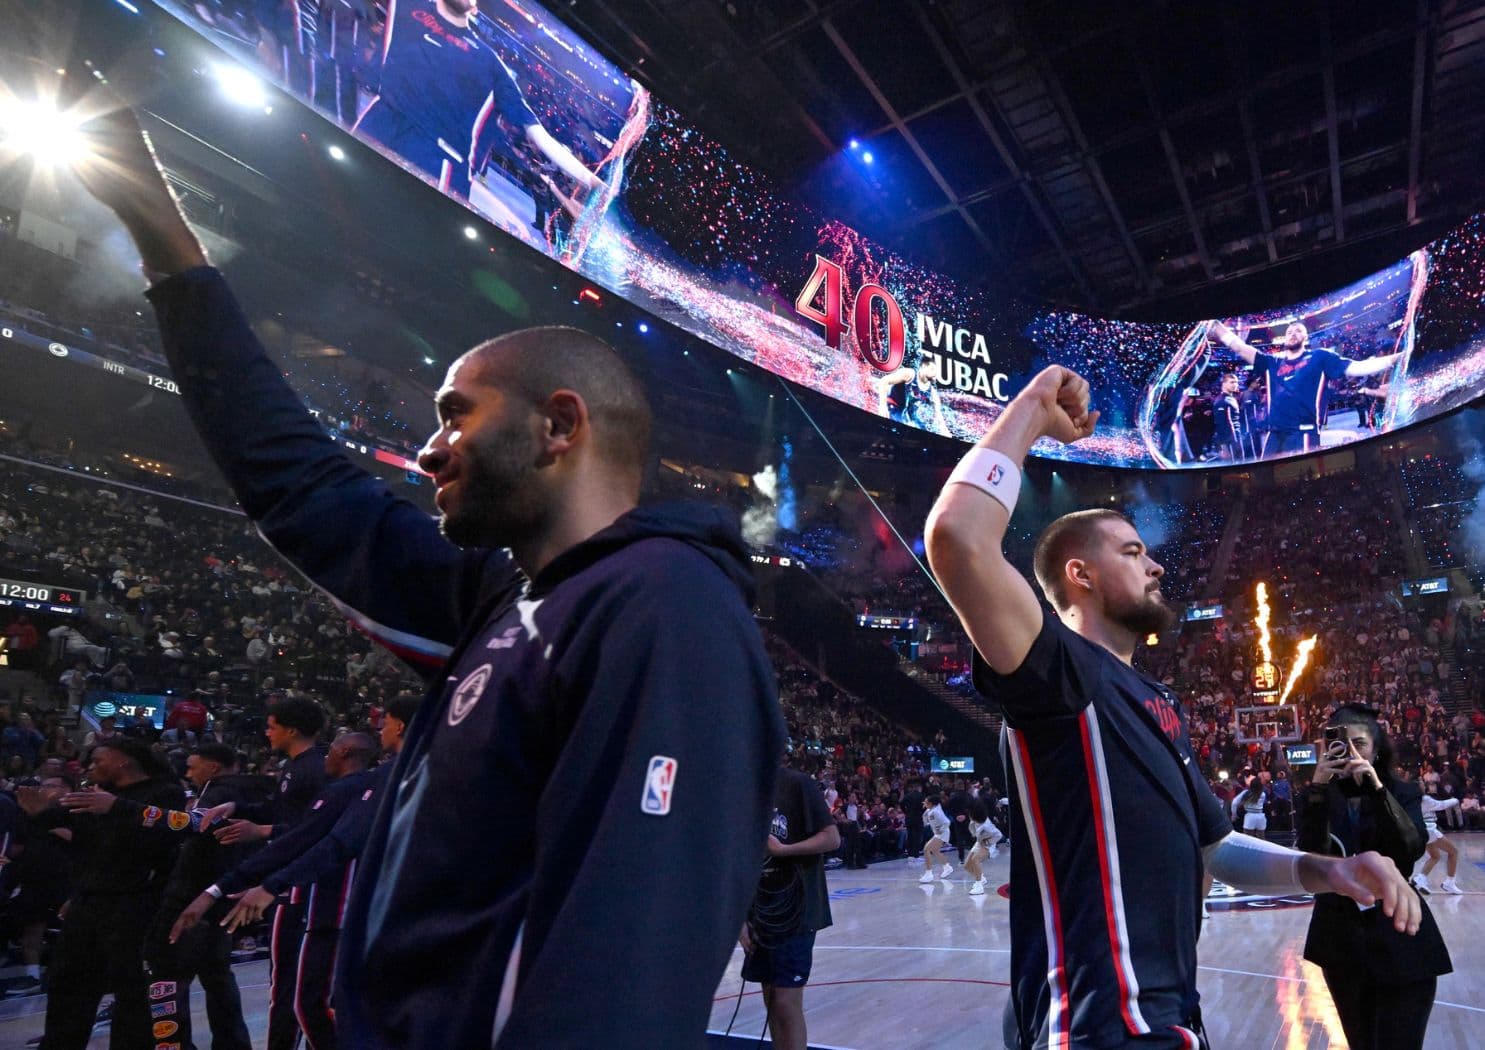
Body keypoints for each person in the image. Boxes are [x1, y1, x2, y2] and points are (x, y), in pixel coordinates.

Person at [67, 93, 783, 1048]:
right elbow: (299, 485)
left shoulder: (662, 602)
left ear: (558, 426)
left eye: (457, 414)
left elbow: (629, 951)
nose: (430, 448)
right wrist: (167, 244)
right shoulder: (509, 600)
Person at [924, 364, 1420, 1050]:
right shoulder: (1059, 672)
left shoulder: (1155, 697)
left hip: (1169, 1015)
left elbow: (1216, 847)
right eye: (1132, 551)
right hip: (1102, 1025)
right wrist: (1034, 408)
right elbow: (957, 537)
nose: (1154, 565)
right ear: (1080, 575)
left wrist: (1328, 872)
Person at [61, 742, 267, 1050]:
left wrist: (117, 807)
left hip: (197, 898)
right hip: (217, 894)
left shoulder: (219, 793)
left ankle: (176, 1045)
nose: (187, 771)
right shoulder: (246, 791)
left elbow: (189, 826)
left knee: (166, 981)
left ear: (212, 767)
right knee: (216, 978)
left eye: (193, 765)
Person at [1297, 707, 1452, 1050]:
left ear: (1376, 748)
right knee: (1361, 1043)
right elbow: (1310, 855)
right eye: (1339, 744)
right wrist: (1318, 788)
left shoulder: (1401, 790)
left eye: (1359, 744)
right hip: (1340, 937)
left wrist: (1378, 790)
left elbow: (1409, 850)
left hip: (1399, 929)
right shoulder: (1318, 795)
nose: (1350, 752)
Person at [354, 0, 607, 207]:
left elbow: (539, 135)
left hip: (435, 164)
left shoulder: (490, 62)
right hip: (375, 130)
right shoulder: (408, 7)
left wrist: (594, 184)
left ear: (476, 7)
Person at [17, 738, 185, 1050]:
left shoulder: (164, 792)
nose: (90, 768)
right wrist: (40, 814)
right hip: (88, 900)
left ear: (123, 760)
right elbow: (81, 842)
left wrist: (115, 808)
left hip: (135, 903)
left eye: (98, 761)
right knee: (68, 982)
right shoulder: (89, 796)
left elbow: (166, 835)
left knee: (132, 988)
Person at [740, 760, 839, 1050]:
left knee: (785, 1001)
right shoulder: (741, 795)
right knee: (771, 998)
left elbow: (831, 838)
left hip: (797, 911)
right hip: (760, 912)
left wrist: (785, 850)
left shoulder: (799, 785)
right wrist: (740, 917)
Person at [1208, 320, 1400, 457]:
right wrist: (1217, 327)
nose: (1293, 333)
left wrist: (1395, 358)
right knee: (1266, 483)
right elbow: (1240, 347)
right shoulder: (1271, 362)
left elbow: (1358, 367)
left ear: (1306, 337)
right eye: (1289, 331)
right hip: (1274, 434)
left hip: (1303, 433)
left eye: (1298, 331)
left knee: (1301, 480)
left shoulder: (1320, 357)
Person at [1412, 781, 1464, 895]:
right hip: (1429, 829)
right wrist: (1455, 800)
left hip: (1421, 831)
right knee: (1453, 852)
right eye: (1421, 783)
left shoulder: (1411, 799)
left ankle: (1420, 878)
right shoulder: (1425, 799)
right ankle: (1449, 883)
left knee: (1435, 856)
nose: (1423, 784)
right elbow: (1441, 805)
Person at [964, 798, 1003, 896]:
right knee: (967, 866)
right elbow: (974, 832)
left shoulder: (986, 825)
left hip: (988, 845)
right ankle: (981, 878)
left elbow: (999, 835)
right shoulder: (975, 819)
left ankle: (979, 886)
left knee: (975, 859)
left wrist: (988, 842)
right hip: (979, 842)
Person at [919, 795, 952, 883]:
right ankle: (947, 867)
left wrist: (940, 830)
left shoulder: (936, 811)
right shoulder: (931, 809)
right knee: (935, 851)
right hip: (939, 833)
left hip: (943, 833)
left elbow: (947, 822)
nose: (924, 803)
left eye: (926, 802)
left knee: (926, 849)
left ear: (931, 803)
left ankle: (929, 874)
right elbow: (926, 816)